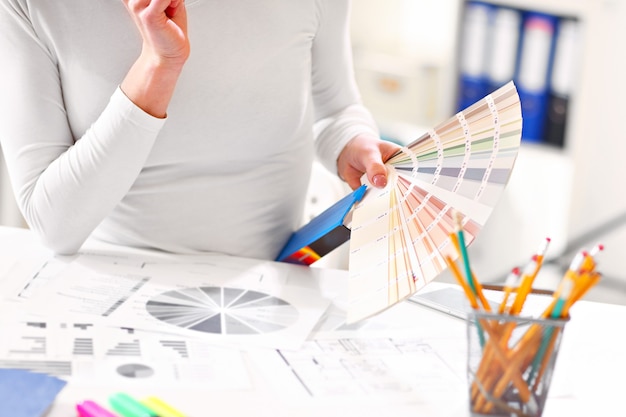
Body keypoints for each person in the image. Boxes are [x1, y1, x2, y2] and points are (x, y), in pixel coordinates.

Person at [0, 0, 400, 260]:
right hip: (107, 278)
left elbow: (333, 107)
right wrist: (158, 68)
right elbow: (54, 226)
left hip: (273, 278)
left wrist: (353, 143)